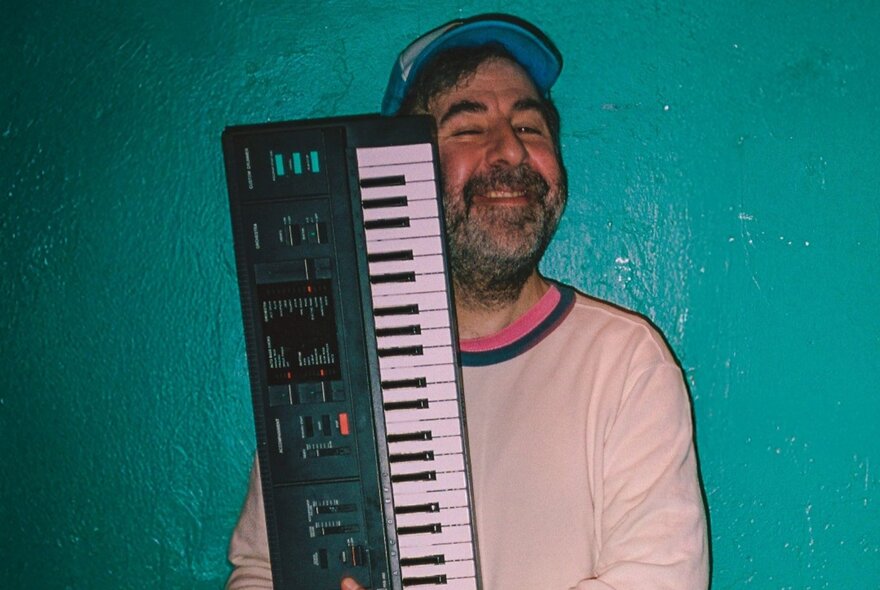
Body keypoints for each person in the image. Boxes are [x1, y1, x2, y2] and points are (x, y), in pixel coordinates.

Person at [227, 14, 709, 590]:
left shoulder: (627, 365)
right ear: (398, 174)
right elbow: (260, 570)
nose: (509, 151)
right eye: (467, 128)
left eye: (530, 128)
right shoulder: (329, 362)